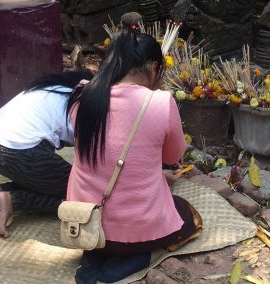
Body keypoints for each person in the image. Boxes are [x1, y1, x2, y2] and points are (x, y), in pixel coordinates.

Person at [66, 28, 202, 284]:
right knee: (185, 214)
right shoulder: (161, 102)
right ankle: (135, 256)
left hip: (83, 219)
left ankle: (93, 257)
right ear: (153, 68)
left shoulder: (82, 93)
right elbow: (173, 155)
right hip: (135, 228)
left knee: (104, 223)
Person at [0, 70, 93, 238]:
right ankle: (13, 200)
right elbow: (90, 155)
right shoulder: (78, 102)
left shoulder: (51, 88)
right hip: (21, 154)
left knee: (51, 180)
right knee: (81, 193)